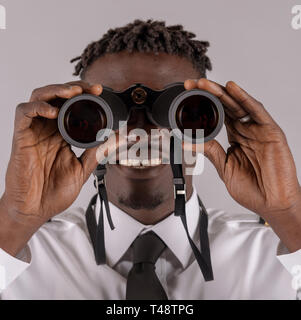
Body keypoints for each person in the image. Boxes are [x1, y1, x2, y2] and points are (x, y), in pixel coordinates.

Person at [0, 19, 300, 300]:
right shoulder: (16, 252)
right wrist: (14, 220)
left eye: (184, 112)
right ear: (74, 121)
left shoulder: (279, 253)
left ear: (207, 120)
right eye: (104, 111)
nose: (139, 130)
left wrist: (289, 213)